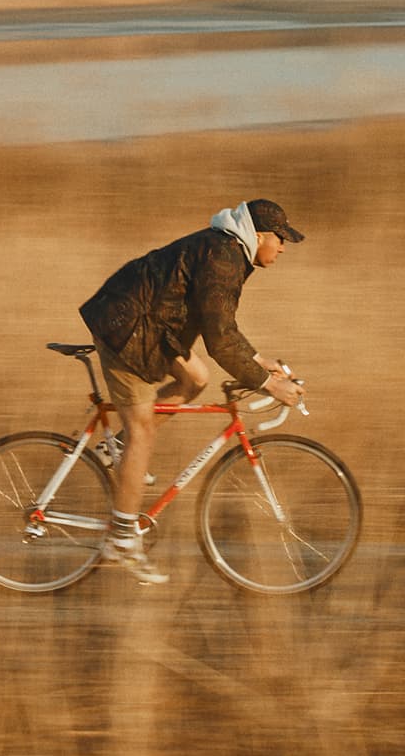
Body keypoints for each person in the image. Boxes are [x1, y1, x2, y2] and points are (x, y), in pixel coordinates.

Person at [79, 198, 306, 584]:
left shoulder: (231, 253)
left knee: (195, 379)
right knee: (143, 431)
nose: (283, 247)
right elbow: (218, 340)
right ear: (260, 235)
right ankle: (119, 540)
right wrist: (269, 384)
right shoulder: (223, 258)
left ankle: (116, 448)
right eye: (281, 238)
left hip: (149, 325)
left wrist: (256, 360)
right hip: (125, 327)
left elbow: (221, 325)